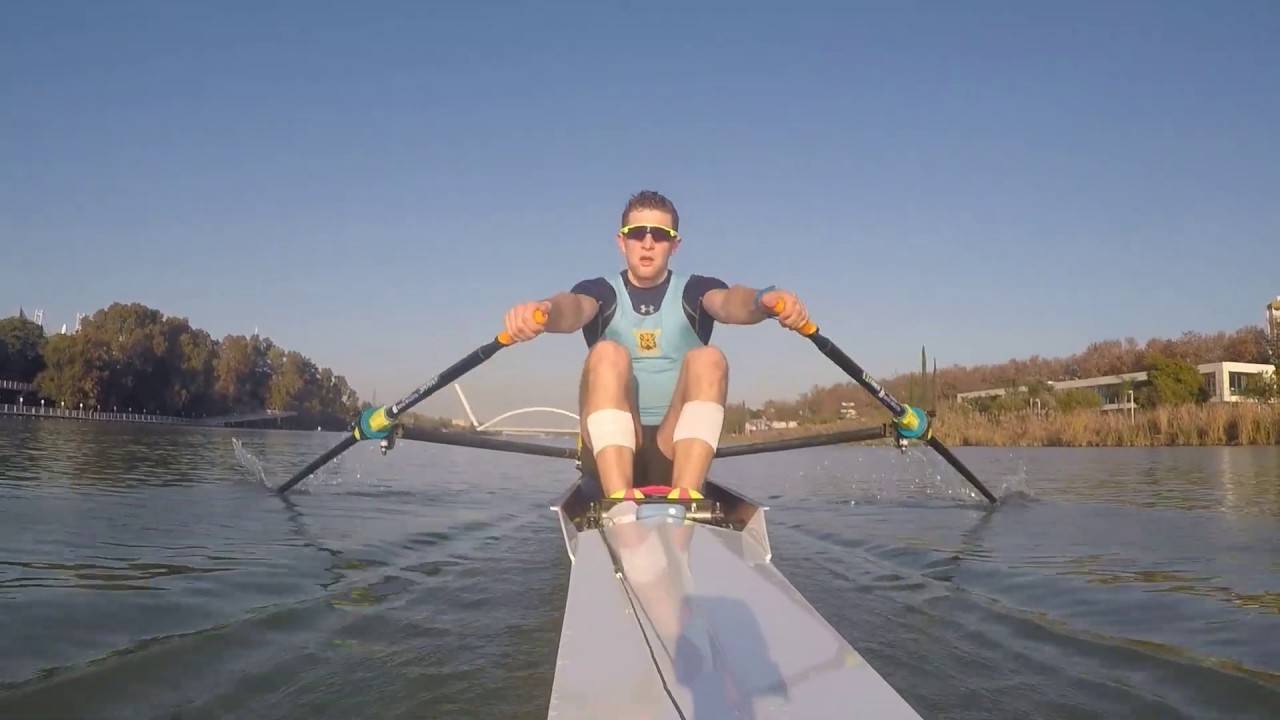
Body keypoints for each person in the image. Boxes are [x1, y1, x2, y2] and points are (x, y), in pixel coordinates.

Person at [501, 190, 810, 499]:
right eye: (636, 234)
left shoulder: (696, 290)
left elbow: (732, 303)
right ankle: (620, 503)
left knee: (709, 358)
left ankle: (686, 499)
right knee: (608, 353)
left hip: (674, 447)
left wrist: (762, 300)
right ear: (621, 242)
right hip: (606, 450)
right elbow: (571, 310)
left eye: (660, 235)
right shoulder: (598, 291)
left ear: (674, 246)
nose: (647, 243)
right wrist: (545, 311)